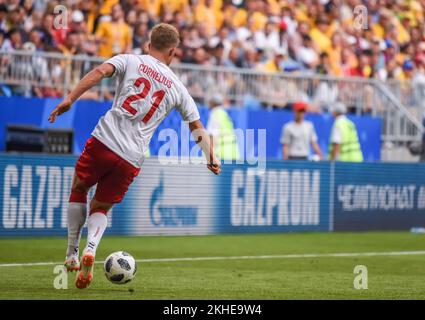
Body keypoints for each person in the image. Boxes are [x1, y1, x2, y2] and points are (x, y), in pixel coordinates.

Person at [48, 23, 221, 289]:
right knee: (102, 207)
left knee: (80, 186)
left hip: (105, 139)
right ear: (173, 52)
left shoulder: (130, 60)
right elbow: (196, 127)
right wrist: (211, 155)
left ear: (149, 43)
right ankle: (91, 248)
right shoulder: (178, 87)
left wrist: (71, 98)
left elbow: (99, 72)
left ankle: (72, 253)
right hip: (132, 156)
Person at [206, 93, 240, 161]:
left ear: (213, 103)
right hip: (233, 153)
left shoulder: (215, 114)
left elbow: (213, 135)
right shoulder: (224, 114)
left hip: (222, 154)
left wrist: (210, 154)